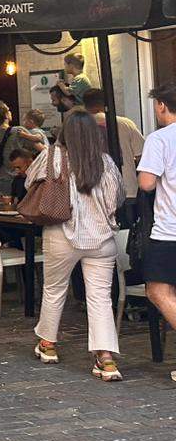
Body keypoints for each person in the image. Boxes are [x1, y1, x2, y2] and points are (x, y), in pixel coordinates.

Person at [29, 108, 123, 381]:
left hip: (61, 234)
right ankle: (105, 360)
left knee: (54, 289)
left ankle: (47, 345)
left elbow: (28, 182)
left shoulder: (52, 157)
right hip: (102, 238)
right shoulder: (105, 161)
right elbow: (115, 199)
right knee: (100, 298)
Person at [136, 82, 176, 383]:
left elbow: (147, 183)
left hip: (170, 230)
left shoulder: (160, 138)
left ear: (162, 106)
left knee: (157, 291)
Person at [81, 88, 145, 197]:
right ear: (106, 102)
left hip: (93, 192)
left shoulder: (79, 127)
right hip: (127, 188)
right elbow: (142, 156)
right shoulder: (125, 124)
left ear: (85, 106)